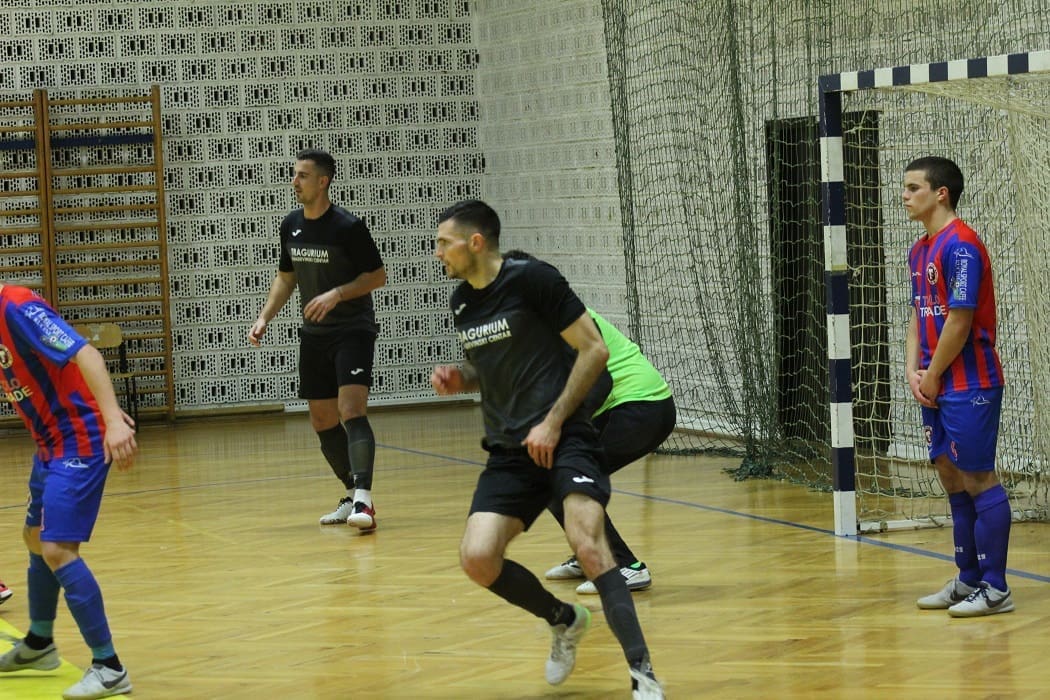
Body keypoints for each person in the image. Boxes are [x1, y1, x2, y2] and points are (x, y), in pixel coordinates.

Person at [430, 201, 664, 699]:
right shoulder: (462, 302)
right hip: (509, 451)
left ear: (475, 242)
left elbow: (594, 349)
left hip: (566, 437)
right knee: (477, 558)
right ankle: (563, 620)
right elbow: (491, 368)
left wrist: (554, 422)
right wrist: (462, 377)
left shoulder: (533, 279)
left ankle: (642, 673)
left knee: (589, 545)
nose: (438, 253)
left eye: (444, 242)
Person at [500, 251, 676, 595]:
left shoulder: (561, 320)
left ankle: (624, 567)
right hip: (625, 408)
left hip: (641, 408)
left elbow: (600, 383)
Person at [0, 282, 138, 699]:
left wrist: (112, 420)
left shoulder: (16, 307)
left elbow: (87, 353)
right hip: (49, 444)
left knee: (57, 548)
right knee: (34, 537)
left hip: (80, 438)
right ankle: (40, 643)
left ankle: (109, 667)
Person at [248, 148, 386, 531]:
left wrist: (337, 294)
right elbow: (286, 277)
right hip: (314, 335)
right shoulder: (291, 225)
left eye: (303, 176)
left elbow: (377, 276)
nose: (295, 181)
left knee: (351, 409)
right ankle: (350, 494)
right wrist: (264, 317)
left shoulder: (348, 227)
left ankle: (364, 500)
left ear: (323, 181)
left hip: (353, 330)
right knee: (322, 418)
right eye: (295, 174)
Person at [903, 156, 1013, 617]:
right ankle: (968, 578)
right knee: (949, 474)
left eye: (913, 188)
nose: (905, 196)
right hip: (933, 383)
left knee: (977, 477)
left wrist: (932, 375)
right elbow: (918, 313)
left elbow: (960, 320)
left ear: (940, 193)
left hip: (970, 383)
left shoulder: (962, 245)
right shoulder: (918, 250)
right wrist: (912, 370)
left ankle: (996, 588)